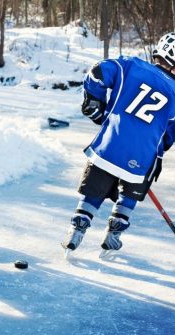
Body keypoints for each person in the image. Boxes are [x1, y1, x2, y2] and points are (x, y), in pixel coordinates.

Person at [62, 32, 175, 254]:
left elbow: (98, 72)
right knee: (134, 185)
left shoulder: (130, 66)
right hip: (141, 158)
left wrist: (93, 103)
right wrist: (158, 153)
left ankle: (77, 230)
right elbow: (169, 134)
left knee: (94, 188)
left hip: (108, 148)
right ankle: (114, 235)